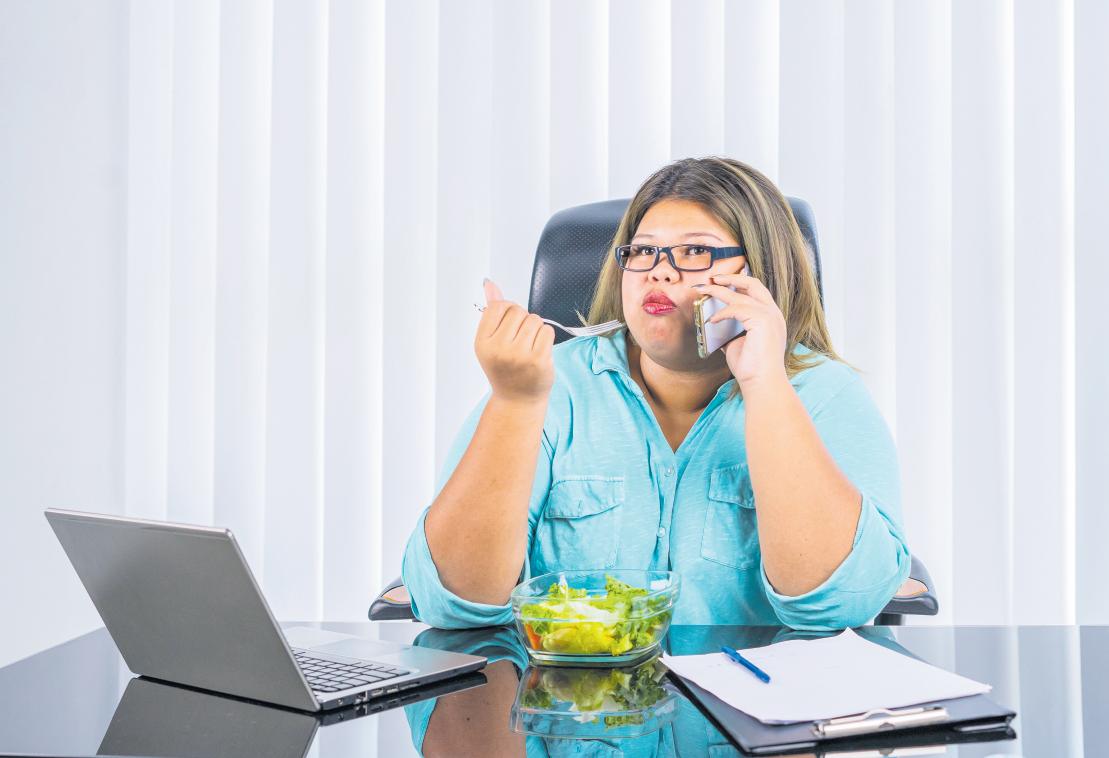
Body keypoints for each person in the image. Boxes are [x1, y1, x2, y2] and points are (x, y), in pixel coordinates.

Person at [402, 156, 911, 631]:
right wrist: (514, 402)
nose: (658, 270)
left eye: (696, 251)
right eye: (643, 251)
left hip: (756, 696)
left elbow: (839, 602)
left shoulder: (825, 394)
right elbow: (454, 602)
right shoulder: (543, 383)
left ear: (759, 275)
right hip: (573, 693)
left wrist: (765, 384)